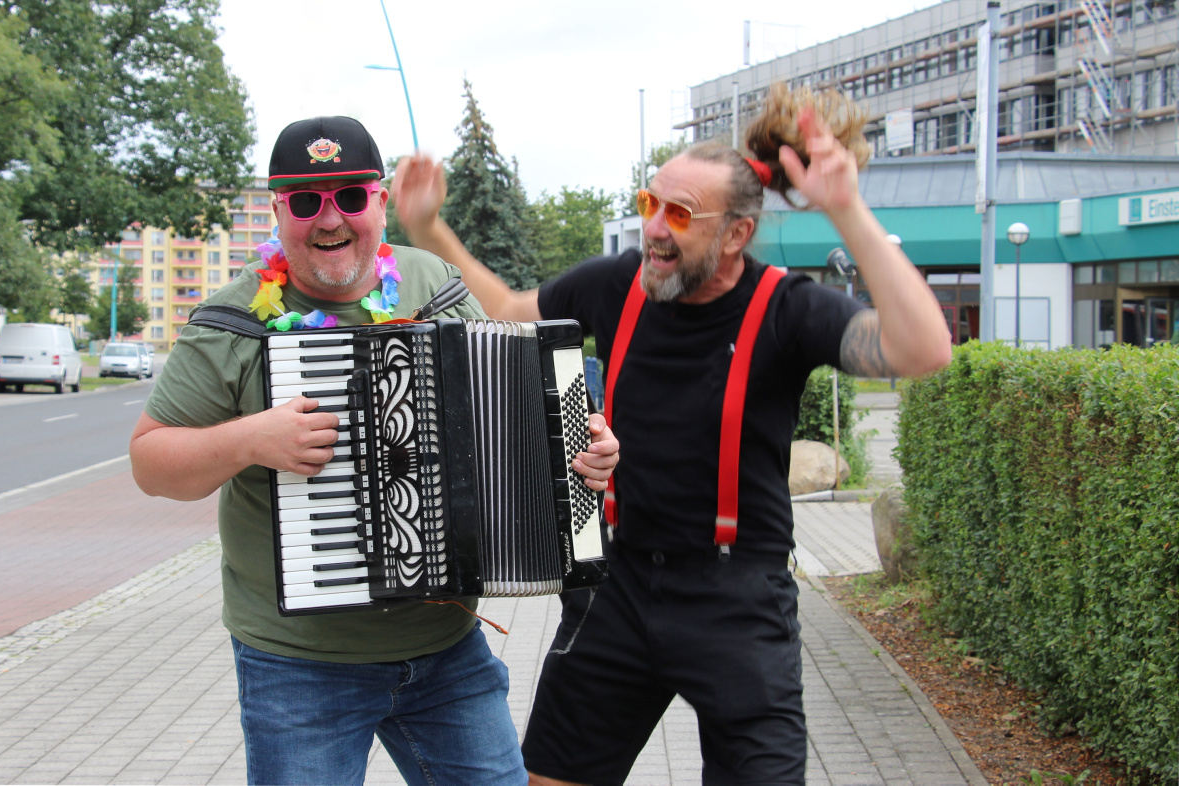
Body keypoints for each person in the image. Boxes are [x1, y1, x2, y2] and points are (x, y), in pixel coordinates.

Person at [393, 84, 953, 785]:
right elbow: (506, 309)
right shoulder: (618, 284)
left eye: (680, 214)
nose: (654, 228)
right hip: (615, 587)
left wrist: (845, 206)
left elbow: (924, 351)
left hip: (737, 598)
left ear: (736, 235)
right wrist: (428, 227)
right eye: (649, 203)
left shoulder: (786, 309)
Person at [128, 115, 620, 786]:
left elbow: (519, 414)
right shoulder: (234, 322)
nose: (330, 218)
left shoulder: (434, 288)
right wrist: (250, 438)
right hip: (297, 667)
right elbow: (151, 463)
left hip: (447, 653)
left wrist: (584, 451)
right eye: (306, 201)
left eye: (350, 197)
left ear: (379, 201)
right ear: (278, 210)